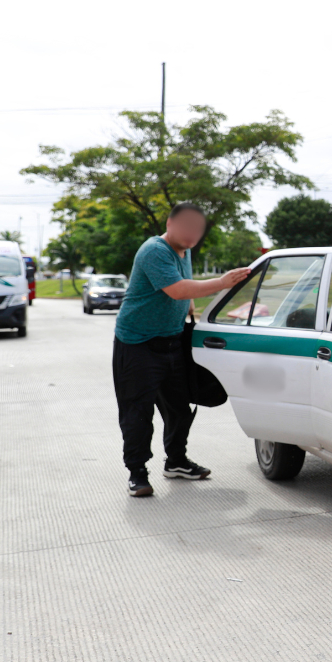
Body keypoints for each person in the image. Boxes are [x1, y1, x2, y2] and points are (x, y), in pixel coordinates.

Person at [113, 203, 250, 497]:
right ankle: (137, 473)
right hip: (138, 344)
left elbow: (182, 293)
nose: (192, 235)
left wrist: (189, 306)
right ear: (170, 223)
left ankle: (176, 462)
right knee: (138, 411)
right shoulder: (154, 250)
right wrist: (222, 283)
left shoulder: (184, 252)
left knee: (179, 408)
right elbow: (177, 289)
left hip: (172, 342)